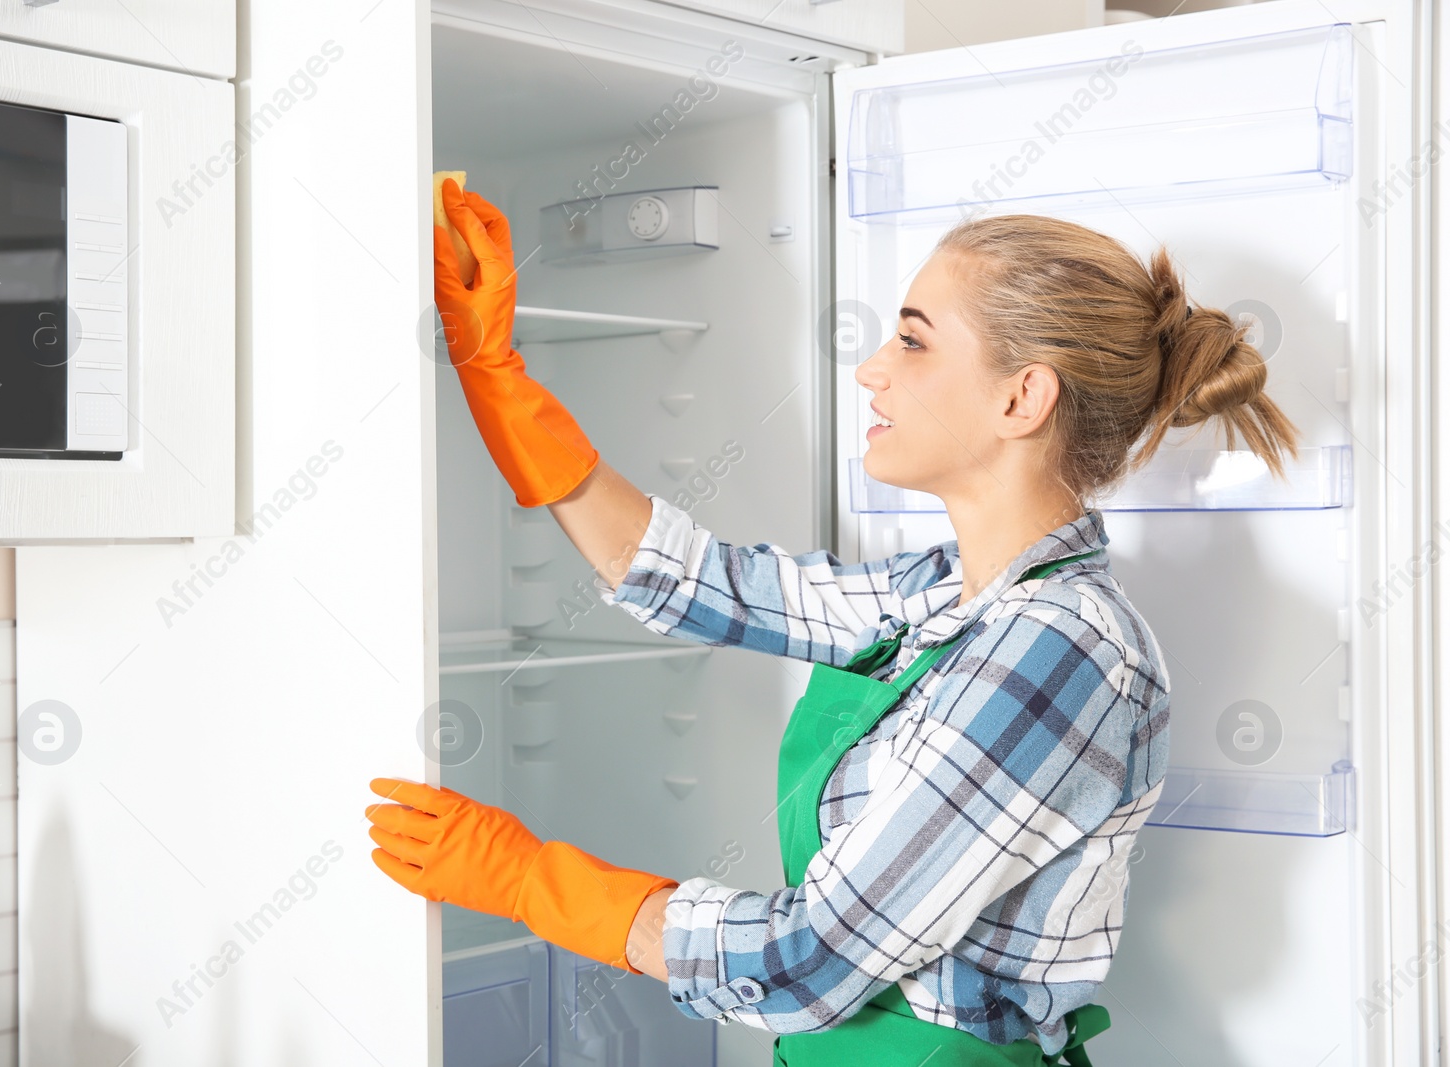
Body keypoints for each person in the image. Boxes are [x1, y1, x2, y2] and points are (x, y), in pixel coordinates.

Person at [366, 179, 1299, 1066]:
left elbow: (806, 962)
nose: (871, 368)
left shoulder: (1059, 649)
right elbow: (703, 582)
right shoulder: (948, 598)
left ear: (1022, 397)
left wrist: (530, 880)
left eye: (914, 341)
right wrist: (496, 373)